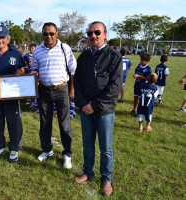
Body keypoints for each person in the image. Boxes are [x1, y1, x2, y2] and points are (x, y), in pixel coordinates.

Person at [73, 21, 122, 197]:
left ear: (105, 34)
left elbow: (115, 87)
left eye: (97, 32)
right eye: (90, 33)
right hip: (85, 110)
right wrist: (83, 104)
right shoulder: (84, 56)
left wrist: (94, 105)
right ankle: (87, 172)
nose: (93, 35)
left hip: (104, 111)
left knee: (105, 148)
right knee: (87, 144)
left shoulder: (114, 56)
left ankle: (106, 179)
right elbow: (77, 83)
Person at [31, 22, 77, 169]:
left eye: (51, 33)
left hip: (62, 90)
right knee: (45, 123)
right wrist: (34, 75)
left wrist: (72, 90)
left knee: (64, 124)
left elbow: (73, 70)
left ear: (57, 34)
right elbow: (35, 69)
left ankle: (67, 154)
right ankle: (47, 150)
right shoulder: (37, 50)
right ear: (42, 34)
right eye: (45, 33)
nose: (49, 36)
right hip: (44, 91)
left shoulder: (65, 48)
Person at [0, 24, 25, 163]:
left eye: (2, 37)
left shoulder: (16, 54)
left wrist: (20, 72)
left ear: (8, 39)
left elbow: (23, 69)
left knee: (13, 123)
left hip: (11, 96)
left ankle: (14, 148)